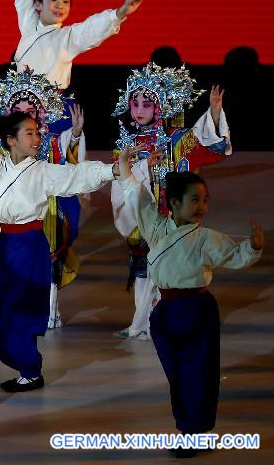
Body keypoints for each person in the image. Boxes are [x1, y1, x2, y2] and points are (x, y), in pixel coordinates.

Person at [0, 78, 120, 392]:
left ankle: (31, 369)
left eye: (38, 132)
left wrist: (111, 170)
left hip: (29, 244)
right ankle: (21, 362)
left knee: (22, 306)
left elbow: (76, 175)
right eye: (30, 133)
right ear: (10, 140)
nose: (37, 138)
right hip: (3, 245)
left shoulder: (42, 171)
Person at [118, 148, 263, 459]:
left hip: (197, 311)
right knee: (179, 373)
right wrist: (126, 171)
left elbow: (234, 256)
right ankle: (189, 425)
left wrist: (253, 247)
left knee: (199, 373)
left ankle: (192, 432)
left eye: (205, 200)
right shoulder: (156, 228)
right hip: (166, 312)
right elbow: (138, 201)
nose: (202, 207)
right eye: (194, 200)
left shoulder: (206, 238)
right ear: (173, 204)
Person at [110, 63, 230, 340]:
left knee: (170, 273)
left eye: (146, 104)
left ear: (160, 109)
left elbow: (208, 142)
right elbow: (119, 182)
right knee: (142, 271)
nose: (139, 110)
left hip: (170, 221)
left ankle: (161, 324)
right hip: (142, 222)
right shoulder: (126, 144)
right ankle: (141, 324)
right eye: (135, 103)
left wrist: (213, 112)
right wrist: (141, 167)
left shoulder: (176, 141)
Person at [0, 67, 85, 329]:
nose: (26, 117)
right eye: (19, 113)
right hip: (7, 218)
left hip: (43, 214)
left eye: (31, 112)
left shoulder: (48, 142)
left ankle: (48, 312)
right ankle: (3, 309)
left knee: (46, 260)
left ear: (40, 113)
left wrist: (74, 134)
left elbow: (65, 152)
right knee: (7, 263)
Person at [14, 0, 144, 132]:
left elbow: (91, 29)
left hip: (53, 110)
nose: (60, 5)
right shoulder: (29, 24)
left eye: (65, 1)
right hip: (22, 107)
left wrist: (119, 13)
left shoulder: (68, 37)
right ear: (38, 3)